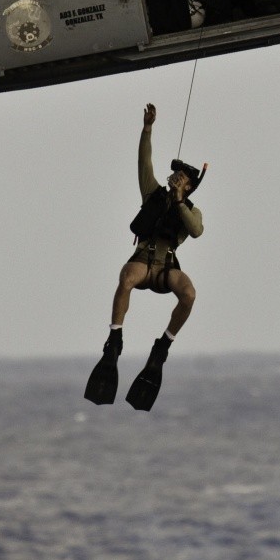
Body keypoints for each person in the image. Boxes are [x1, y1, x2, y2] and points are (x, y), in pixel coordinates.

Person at [84, 103, 207, 409]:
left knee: (189, 294)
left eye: (181, 178)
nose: (175, 179)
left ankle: (163, 346)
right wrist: (147, 129)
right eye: (174, 175)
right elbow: (145, 161)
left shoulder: (191, 210)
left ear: (190, 186)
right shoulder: (152, 192)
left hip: (166, 268)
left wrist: (179, 203)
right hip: (142, 261)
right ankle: (114, 339)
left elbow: (196, 231)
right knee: (126, 277)